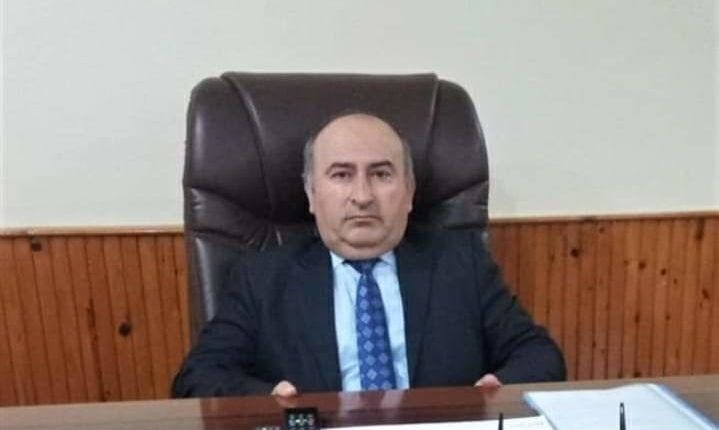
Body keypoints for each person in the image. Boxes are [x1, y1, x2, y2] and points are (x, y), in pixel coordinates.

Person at [172, 112, 565, 398]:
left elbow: (540, 355)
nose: (362, 196)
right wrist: (268, 400)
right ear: (311, 194)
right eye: (341, 175)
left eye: (381, 174)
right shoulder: (262, 278)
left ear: (409, 192)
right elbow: (197, 377)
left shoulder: (460, 264)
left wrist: (497, 388)